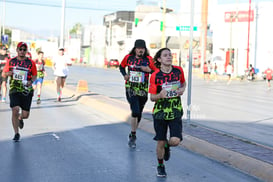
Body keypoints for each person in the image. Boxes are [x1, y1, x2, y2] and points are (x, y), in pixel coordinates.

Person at [149, 48, 186, 177]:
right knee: (160, 141)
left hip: (175, 110)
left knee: (175, 140)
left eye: (170, 55)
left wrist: (182, 89)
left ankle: (167, 147)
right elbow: (152, 97)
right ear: (159, 59)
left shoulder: (178, 71)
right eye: (165, 55)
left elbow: (183, 83)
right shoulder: (155, 75)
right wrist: (160, 95)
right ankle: (160, 166)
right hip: (160, 112)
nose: (169, 57)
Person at [119, 39, 157, 148]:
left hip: (143, 89)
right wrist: (125, 75)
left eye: (142, 49)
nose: (141, 50)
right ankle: (134, 134)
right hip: (130, 88)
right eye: (139, 48)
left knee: (138, 113)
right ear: (135, 49)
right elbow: (121, 66)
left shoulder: (149, 60)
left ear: (145, 50)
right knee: (135, 111)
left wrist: (149, 70)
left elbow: (156, 72)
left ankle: (132, 133)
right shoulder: (128, 58)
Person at [1, 42, 37, 142]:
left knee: (26, 115)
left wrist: (31, 82)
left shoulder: (31, 63)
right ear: (17, 50)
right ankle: (16, 133)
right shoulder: (11, 61)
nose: (22, 51)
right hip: (14, 89)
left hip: (26, 90)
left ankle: (20, 118)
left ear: (26, 51)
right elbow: (3, 74)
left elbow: (34, 76)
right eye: (20, 49)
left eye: (24, 49)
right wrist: (8, 73)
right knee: (15, 110)